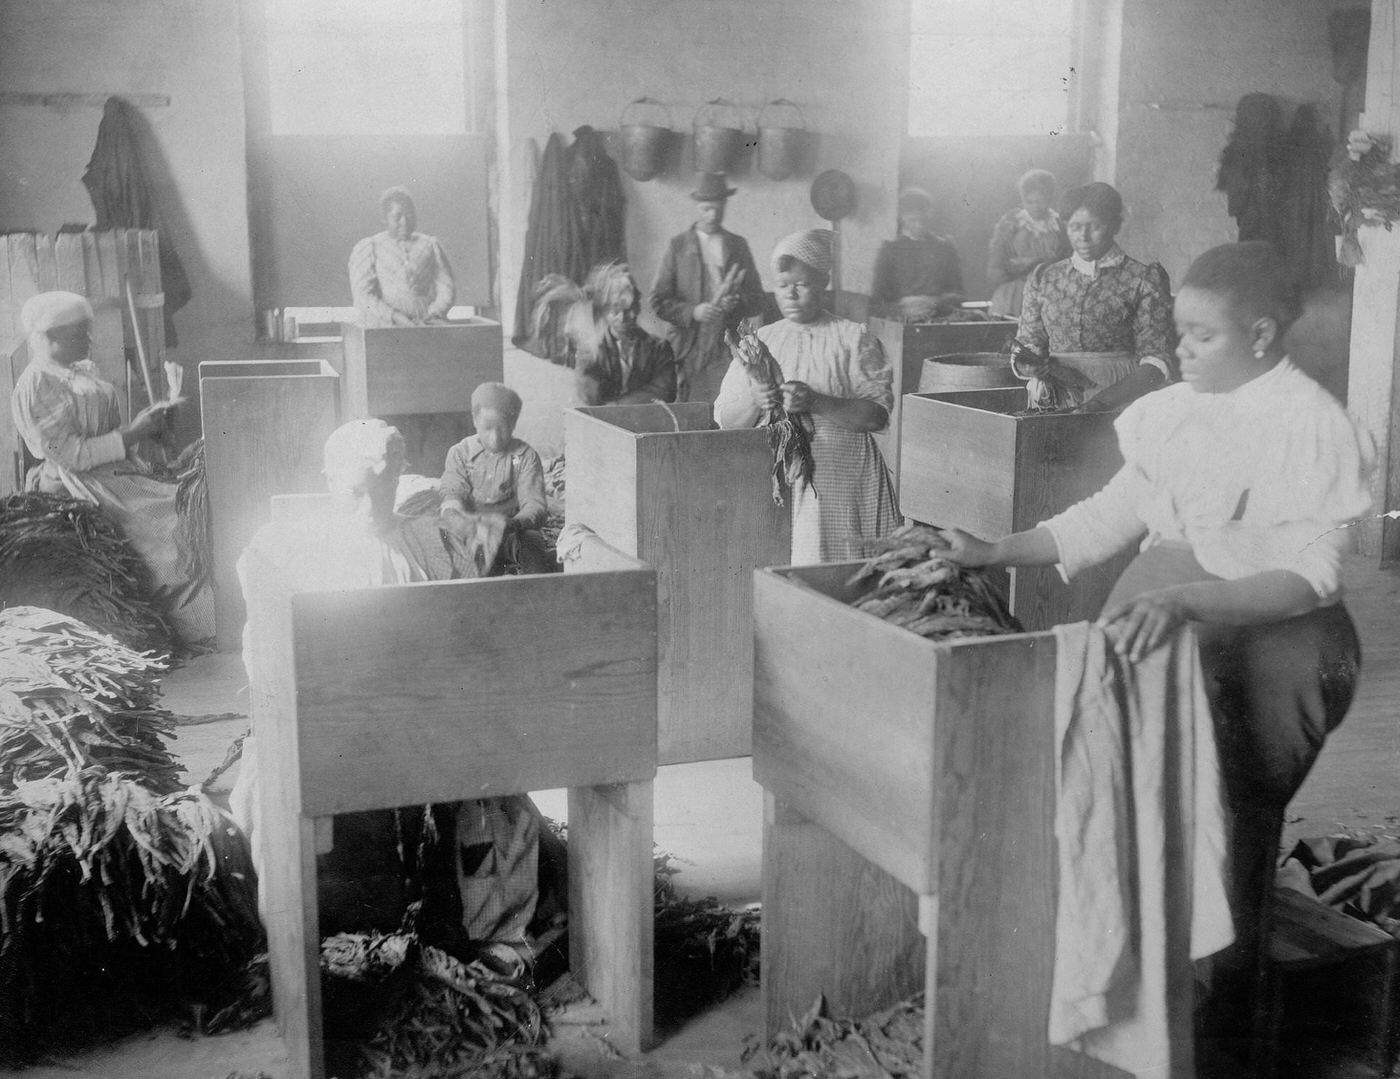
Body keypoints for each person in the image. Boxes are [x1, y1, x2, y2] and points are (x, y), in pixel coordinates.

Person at [939, 242, 1376, 1058]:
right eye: (1178, 331)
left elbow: (1308, 580)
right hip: (1172, 625)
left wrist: (1185, 601)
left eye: (1201, 335)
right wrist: (994, 550)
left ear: (1261, 333)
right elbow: (1108, 515)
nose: (1181, 349)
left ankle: (1215, 1040)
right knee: (1133, 815)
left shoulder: (1311, 423)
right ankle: (1132, 1019)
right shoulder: (1179, 410)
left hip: (1274, 651)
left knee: (1224, 844)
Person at [233, 419, 540, 969]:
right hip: (327, 723)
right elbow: (264, 657)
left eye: (381, 492)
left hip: (421, 716)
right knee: (267, 785)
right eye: (354, 494)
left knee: (498, 793)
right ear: (329, 481)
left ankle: (491, 927)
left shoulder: (432, 542)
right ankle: (296, 938)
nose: (367, 510)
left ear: (397, 479)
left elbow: (467, 639)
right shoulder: (287, 548)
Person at [10, 290, 210, 642]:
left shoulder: (81, 372)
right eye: (78, 334)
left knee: (184, 502)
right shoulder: (36, 384)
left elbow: (106, 432)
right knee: (168, 530)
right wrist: (134, 432)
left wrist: (148, 425)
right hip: (76, 481)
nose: (88, 340)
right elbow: (71, 454)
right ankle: (195, 623)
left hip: (112, 472)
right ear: (47, 338)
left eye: (87, 331)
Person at [715, 229, 900, 563]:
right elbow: (725, 422)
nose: (791, 295)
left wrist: (817, 402)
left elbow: (877, 415)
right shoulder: (760, 341)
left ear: (823, 283)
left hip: (844, 484)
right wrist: (757, 398)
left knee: (841, 571)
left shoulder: (853, 339)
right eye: (783, 286)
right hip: (780, 486)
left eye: (802, 285)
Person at [1013, 181, 1175, 412]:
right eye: (1075, 227)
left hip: (1120, 396)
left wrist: (1101, 402)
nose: (1084, 237)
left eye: (1094, 226)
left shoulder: (1142, 278)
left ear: (1114, 226)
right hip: (1055, 397)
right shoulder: (1044, 277)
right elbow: (1028, 341)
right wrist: (1028, 363)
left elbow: (1156, 361)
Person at [649, 172, 766, 404]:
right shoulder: (678, 247)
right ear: (697, 206)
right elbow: (658, 302)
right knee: (690, 409)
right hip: (688, 345)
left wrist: (738, 302)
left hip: (727, 344)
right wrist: (693, 312)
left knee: (729, 407)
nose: (712, 215)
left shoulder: (738, 246)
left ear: (725, 205)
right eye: (706, 209)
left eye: (718, 209)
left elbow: (758, 299)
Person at [440, 383, 554, 575]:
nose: (495, 438)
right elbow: (452, 495)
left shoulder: (525, 456)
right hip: (470, 531)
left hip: (511, 532)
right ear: (475, 421)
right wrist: (462, 522)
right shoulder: (460, 453)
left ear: (513, 424)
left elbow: (535, 505)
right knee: (444, 548)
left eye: (502, 428)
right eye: (487, 428)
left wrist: (510, 524)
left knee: (532, 542)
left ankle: (539, 597)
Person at [546, 262, 676, 406]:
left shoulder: (659, 349)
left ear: (638, 307)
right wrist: (586, 354)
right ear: (605, 312)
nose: (623, 318)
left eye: (629, 310)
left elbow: (664, 392)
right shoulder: (592, 349)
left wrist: (616, 406)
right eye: (615, 311)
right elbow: (590, 399)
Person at [348, 186, 456, 328]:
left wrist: (435, 313)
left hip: (426, 321)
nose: (404, 222)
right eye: (397, 217)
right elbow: (362, 295)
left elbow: (446, 288)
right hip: (384, 322)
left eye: (409, 215)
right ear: (385, 219)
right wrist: (394, 316)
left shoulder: (430, 245)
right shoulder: (370, 247)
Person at [869, 187, 965, 321]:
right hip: (902, 321)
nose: (919, 225)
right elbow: (877, 301)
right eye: (913, 220)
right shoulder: (890, 250)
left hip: (940, 318)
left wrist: (935, 303)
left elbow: (958, 293)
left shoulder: (945, 248)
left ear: (930, 215)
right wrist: (903, 309)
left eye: (923, 220)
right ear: (902, 218)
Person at [986, 168, 1071, 318]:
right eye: (1029, 202)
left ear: (1049, 199)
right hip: (1015, 291)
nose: (1035, 207)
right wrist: (1017, 268)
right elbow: (997, 261)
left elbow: (1067, 258)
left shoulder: (1059, 225)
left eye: (1040, 201)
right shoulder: (1012, 223)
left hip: (1051, 290)